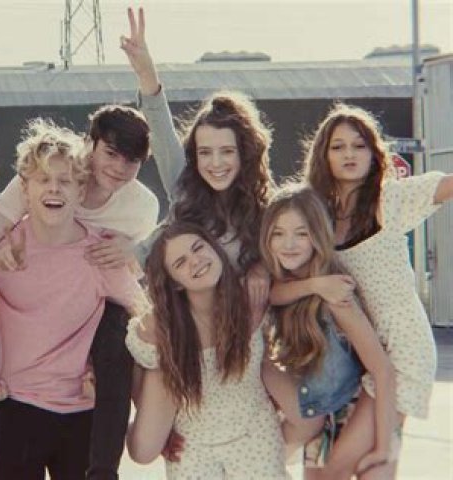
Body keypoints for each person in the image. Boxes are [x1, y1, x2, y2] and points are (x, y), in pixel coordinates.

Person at [0, 107, 158, 480]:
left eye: (64, 182)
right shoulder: (10, 243)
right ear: (25, 188)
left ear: (79, 188)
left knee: (119, 334)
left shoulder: (115, 234)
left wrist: (146, 401)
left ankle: (103, 472)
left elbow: (146, 320)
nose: (53, 188)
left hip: (81, 410)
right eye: (111, 153)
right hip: (17, 407)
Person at [270, 103, 453, 478]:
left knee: (352, 465)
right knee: (343, 471)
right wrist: (314, 284)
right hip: (346, 353)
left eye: (359, 145)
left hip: (401, 349)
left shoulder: (390, 200)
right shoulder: (316, 213)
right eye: (338, 146)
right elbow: (277, 288)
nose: (349, 154)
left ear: (374, 152)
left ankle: (387, 447)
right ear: (323, 155)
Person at [120, 6, 273, 317]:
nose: (215, 163)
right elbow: (162, 132)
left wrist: (261, 267)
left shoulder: (264, 210)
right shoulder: (186, 187)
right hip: (181, 319)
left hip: (239, 325)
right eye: (205, 152)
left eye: (226, 151)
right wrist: (147, 74)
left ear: (244, 153)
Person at [126, 222, 288, 479]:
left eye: (198, 248)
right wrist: (156, 426)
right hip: (193, 436)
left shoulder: (248, 295)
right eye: (180, 263)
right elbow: (138, 366)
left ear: (215, 248)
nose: (195, 261)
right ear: (175, 284)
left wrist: (263, 269)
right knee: (144, 448)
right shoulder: (159, 326)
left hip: (251, 428)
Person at [259, 184, 396, 478]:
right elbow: (273, 295)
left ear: (318, 235)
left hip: (351, 411)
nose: (288, 244)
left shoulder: (336, 298)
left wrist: (385, 446)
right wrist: (312, 285)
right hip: (318, 410)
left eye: (301, 233)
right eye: (278, 233)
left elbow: (383, 370)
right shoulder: (287, 287)